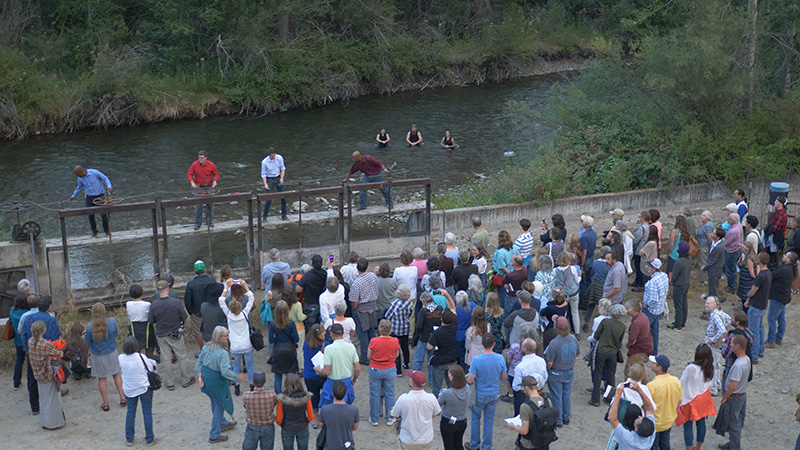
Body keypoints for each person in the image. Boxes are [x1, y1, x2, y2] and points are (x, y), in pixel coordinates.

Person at [197, 326, 246, 443]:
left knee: (214, 402)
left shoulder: (207, 346)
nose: (228, 338)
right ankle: (214, 434)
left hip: (207, 378)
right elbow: (225, 372)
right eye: (226, 336)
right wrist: (236, 376)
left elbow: (199, 362)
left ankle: (223, 423)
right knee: (220, 405)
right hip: (217, 381)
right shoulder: (222, 353)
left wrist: (199, 375)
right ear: (220, 338)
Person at [149, 280, 194, 390]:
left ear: (157, 291)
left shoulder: (154, 305)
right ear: (168, 289)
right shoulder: (176, 302)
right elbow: (184, 317)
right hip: (175, 334)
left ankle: (170, 383)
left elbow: (151, 321)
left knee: (166, 359)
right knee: (182, 357)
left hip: (162, 335)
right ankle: (185, 379)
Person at [466, 333, 507, 450]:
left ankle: (474, 444)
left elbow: (470, 379)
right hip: (493, 394)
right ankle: (486, 446)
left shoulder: (477, 360)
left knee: (475, 419)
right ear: (494, 344)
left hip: (479, 394)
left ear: (482, 343)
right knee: (489, 420)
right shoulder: (500, 358)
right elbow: (504, 377)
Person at [85, 302, 126, 411]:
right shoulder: (112, 322)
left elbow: (87, 342)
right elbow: (116, 334)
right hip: (112, 352)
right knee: (116, 374)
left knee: (102, 379)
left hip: (98, 355)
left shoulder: (90, 328)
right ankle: (122, 397)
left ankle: (106, 403)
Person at [118, 336, 158, 446]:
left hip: (129, 388)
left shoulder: (121, 358)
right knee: (147, 412)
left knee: (130, 412)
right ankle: (150, 439)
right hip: (143, 387)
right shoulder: (141, 357)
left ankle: (129, 439)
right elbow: (150, 368)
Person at [218, 279, 256, 395]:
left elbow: (221, 300)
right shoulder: (244, 313)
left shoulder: (229, 316)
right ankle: (252, 384)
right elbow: (251, 298)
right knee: (249, 365)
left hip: (234, 347)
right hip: (246, 345)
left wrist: (226, 288)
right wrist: (245, 285)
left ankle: (237, 386)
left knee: (234, 364)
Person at [676, 344, 717, 450]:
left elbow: (681, 382)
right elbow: (711, 384)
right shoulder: (710, 367)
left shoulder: (691, 368)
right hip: (703, 399)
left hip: (690, 400)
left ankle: (689, 448)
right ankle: (698, 447)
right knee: (701, 423)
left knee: (688, 426)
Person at [27, 320, 66, 429]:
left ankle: (44, 422)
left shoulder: (30, 341)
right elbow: (59, 354)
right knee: (53, 399)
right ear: (43, 330)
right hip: (47, 373)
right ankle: (53, 423)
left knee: (44, 398)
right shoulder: (45, 344)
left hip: (38, 373)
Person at [544, 316, 579, 427]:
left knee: (556, 396)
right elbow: (578, 353)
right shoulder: (573, 339)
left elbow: (549, 362)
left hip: (556, 373)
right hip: (569, 370)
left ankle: (558, 420)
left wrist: (546, 372)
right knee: (566, 394)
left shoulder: (554, 343)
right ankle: (566, 416)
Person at [715, 335, 750, 450]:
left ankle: (734, 447)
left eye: (732, 343)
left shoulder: (738, 365)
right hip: (741, 395)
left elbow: (733, 385)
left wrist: (725, 397)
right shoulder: (746, 360)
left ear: (738, 346)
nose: (730, 345)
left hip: (734, 397)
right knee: (735, 421)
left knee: (734, 424)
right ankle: (732, 444)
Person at [589, 304, 627, 406]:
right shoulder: (622, 326)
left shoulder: (605, 322)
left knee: (598, 374)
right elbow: (619, 341)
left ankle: (595, 399)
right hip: (613, 353)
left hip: (601, 351)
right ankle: (609, 398)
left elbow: (596, 335)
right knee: (611, 375)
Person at [315, 323, 360, 408]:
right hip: (346, 382)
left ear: (331, 333)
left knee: (329, 409)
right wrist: (354, 379)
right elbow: (357, 368)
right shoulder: (351, 347)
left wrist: (318, 370)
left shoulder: (329, 349)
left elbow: (326, 371)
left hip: (332, 383)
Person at [507, 374, 555, 450]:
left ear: (527, 388)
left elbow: (524, 431)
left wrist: (513, 427)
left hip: (529, 444)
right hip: (544, 441)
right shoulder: (547, 401)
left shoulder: (525, 406)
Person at [647, 354, 683, 449]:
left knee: (653, 446)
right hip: (668, 421)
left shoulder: (652, 386)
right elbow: (679, 401)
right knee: (665, 444)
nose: (651, 364)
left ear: (659, 368)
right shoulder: (676, 381)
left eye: (654, 363)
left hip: (655, 423)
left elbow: (647, 406)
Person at [368, 319, 399, 426]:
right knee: (390, 393)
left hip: (375, 369)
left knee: (374, 394)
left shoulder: (374, 341)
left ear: (379, 329)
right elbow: (396, 355)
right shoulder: (395, 341)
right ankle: (390, 417)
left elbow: (368, 356)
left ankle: (374, 418)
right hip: (390, 368)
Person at [608, 381, 657, 450]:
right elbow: (650, 409)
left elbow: (612, 418)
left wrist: (617, 395)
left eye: (639, 419)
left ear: (636, 429)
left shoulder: (628, 438)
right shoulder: (650, 432)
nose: (640, 416)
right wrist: (639, 389)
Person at [68, 165, 112, 237]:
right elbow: (79, 188)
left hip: (99, 196)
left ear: (81, 171)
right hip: (89, 197)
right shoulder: (80, 178)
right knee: (90, 215)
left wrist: (109, 186)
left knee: (103, 214)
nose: (77, 176)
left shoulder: (94, 172)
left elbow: (105, 178)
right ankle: (94, 232)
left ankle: (107, 231)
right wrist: (73, 196)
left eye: (78, 174)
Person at [185, 260, 218, 352]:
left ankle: (203, 351)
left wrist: (191, 312)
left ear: (194, 271)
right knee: (213, 330)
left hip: (197, 312)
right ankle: (215, 349)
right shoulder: (212, 281)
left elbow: (188, 301)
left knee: (198, 332)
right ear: (205, 269)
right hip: (212, 311)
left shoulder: (191, 284)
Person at [350, 258, 380, 363]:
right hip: (373, 307)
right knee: (371, 330)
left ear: (357, 268)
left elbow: (354, 302)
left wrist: (354, 309)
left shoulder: (356, 283)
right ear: (367, 267)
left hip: (361, 310)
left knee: (362, 333)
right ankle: (375, 352)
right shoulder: (373, 276)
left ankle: (365, 357)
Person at [765, 251, 797, 348]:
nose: (783, 256)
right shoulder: (790, 269)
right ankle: (779, 338)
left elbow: (772, 275)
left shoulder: (784, 269)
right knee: (781, 319)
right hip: (784, 297)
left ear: (789, 259)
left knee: (771, 319)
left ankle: (771, 341)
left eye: (786, 256)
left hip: (778, 297)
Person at [745, 252, 771, 364]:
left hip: (756, 305)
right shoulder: (769, 273)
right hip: (763, 304)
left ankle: (754, 356)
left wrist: (748, 295)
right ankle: (760, 350)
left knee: (753, 331)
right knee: (760, 328)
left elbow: (753, 291)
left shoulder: (760, 276)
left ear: (759, 261)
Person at [510, 336, 547, 415]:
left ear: (525, 349)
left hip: (523, 395)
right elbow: (545, 377)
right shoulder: (542, 361)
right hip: (538, 392)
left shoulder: (520, 367)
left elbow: (516, 387)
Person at [318, 380, 360, 450]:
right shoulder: (354, 410)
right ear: (346, 393)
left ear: (332, 393)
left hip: (330, 446)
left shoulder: (325, 409)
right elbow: (354, 427)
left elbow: (321, 425)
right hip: (347, 446)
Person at [269, 300, 299, 394]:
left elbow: (270, 340)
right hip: (290, 350)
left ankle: (278, 397)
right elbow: (296, 339)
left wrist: (277, 339)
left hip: (278, 350)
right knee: (292, 374)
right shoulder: (292, 324)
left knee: (278, 375)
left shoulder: (273, 324)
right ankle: (292, 392)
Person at [276, 373, 312, 450]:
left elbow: (278, 419)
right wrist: (305, 422)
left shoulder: (282, 399)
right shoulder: (306, 397)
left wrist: (283, 424)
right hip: (302, 426)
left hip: (287, 428)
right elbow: (311, 416)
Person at [437, 365, 470, 450]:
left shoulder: (447, 393)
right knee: (458, 444)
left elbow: (437, 404)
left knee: (449, 446)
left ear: (452, 377)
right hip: (462, 421)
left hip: (448, 422)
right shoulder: (467, 388)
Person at [243, 370, 277, 450]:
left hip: (252, 426)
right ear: (265, 381)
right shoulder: (272, 395)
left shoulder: (246, 395)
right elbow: (274, 404)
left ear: (253, 382)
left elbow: (245, 406)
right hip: (268, 426)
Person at [428, 309, 459, 398]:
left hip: (440, 361)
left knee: (437, 386)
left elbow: (429, 347)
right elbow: (454, 310)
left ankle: (436, 405)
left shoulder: (437, 332)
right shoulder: (454, 327)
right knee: (452, 385)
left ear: (441, 319)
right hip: (452, 359)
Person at [385, 285, 414, 374]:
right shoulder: (410, 303)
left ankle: (398, 370)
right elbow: (409, 314)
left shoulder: (394, 304)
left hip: (395, 329)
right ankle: (406, 364)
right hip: (405, 327)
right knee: (405, 347)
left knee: (395, 348)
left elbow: (388, 316)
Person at [187, 150, 219, 230]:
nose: (200, 159)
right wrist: (192, 182)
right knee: (198, 205)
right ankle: (198, 223)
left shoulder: (211, 164)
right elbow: (189, 173)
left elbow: (216, 174)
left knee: (210, 204)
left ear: (206, 158)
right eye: (199, 158)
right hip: (198, 187)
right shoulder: (194, 164)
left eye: (201, 158)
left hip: (209, 186)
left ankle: (209, 221)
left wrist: (215, 180)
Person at [583, 246, 612, 330]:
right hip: (604, 286)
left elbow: (592, 273)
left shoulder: (595, 262)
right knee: (604, 306)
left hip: (595, 284)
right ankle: (602, 325)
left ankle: (586, 323)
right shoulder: (609, 265)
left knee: (591, 304)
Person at [641, 259, 667, 354]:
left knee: (643, 333)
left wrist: (645, 305)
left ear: (654, 269)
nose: (648, 267)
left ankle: (644, 352)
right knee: (654, 333)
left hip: (650, 310)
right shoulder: (664, 276)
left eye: (650, 266)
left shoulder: (653, 282)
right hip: (659, 309)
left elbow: (653, 299)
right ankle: (653, 352)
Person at [303, 324, 326, 429]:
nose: (325, 334)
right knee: (326, 396)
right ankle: (325, 418)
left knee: (314, 398)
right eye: (323, 333)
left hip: (309, 376)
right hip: (322, 375)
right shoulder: (325, 345)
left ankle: (315, 420)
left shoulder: (306, 344)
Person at [703, 296, 727, 396]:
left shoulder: (715, 316)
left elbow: (722, 330)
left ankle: (712, 389)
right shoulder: (719, 313)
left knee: (711, 365)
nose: (706, 305)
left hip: (713, 344)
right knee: (716, 364)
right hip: (717, 344)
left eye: (708, 303)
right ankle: (717, 384)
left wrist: (713, 339)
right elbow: (728, 319)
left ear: (715, 305)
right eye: (706, 303)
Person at [126, 284, 157, 358]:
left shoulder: (128, 304)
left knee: (136, 350)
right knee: (149, 349)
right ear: (141, 292)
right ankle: (150, 366)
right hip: (146, 327)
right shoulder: (147, 304)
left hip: (134, 328)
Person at [9, 289, 31, 390]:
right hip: (29, 341)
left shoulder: (12, 311)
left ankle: (16, 382)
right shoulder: (29, 313)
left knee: (19, 361)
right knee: (30, 363)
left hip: (18, 341)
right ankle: (30, 384)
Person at [553, 252, 580, 334]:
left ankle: (561, 330)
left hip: (562, 295)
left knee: (562, 313)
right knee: (575, 312)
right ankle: (577, 332)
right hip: (573, 293)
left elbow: (555, 283)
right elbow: (577, 281)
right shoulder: (572, 269)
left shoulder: (555, 271)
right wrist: (580, 277)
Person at [296, 254, 328, 325]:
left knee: (310, 327)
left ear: (311, 264)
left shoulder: (307, 276)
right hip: (322, 304)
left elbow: (298, 289)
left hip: (311, 305)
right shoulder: (325, 273)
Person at [624, 299, 653, 378]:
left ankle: (628, 387)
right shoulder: (643, 316)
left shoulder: (637, 322)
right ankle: (644, 384)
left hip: (639, 348)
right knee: (640, 366)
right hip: (646, 346)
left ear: (634, 309)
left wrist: (628, 345)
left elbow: (632, 339)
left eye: (627, 309)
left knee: (629, 368)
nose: (626, 310)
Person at [668, 241, 692, 331]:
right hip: (686, 283)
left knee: (678, 306)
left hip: (679, 285)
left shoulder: (679, 262)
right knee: (684, 304)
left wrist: (672, 282)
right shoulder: (689, 259)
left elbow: (674, 276)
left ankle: (677, 325)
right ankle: (682, 323)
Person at [493, 230, 519, 307]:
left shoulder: (500, 252)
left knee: (503, 297)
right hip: (515, 275)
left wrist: (511, 276)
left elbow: (502, 267)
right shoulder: (514, 248)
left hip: (504, 278)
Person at [261, 147, 288, 221]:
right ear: (269, 155)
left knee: (283, 197)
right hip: (270, 179)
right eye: (272, 156)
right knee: (269, 198)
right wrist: (265, 183)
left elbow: (282, 169)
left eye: (274, 155)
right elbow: (263, 174)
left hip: (278, 177)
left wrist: (282, 178)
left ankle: (284, 215)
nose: (273, 157)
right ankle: (264, 217)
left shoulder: (279, 158)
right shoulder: (264, 162)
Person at [763, 196, 788, 268]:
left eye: (776, 201)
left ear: (781, 204)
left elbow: (775, 228)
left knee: (773, 255)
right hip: (773, 237)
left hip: (775, 238)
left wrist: (767, 230)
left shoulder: (781, 214)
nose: (774, 202)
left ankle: (773, 269)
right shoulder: (778, 212)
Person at [702, 228, 726, 299]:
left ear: (718, 237)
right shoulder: (715, 243)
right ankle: (711, 297)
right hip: (713, 269)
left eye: (714, 233)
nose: (712, 233)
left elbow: (712, 260)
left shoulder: (719, 247)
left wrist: (704, 267)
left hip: (715, 270)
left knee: (713, 286)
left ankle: (714, 300)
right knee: (711, 285)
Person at [724, 213, 744, 294]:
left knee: (730, 269)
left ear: (734, 221)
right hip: (737, 248)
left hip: (731, 251)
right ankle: (732, 285)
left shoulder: (733, 231)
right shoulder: (739, 226)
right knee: (732, 268)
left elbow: (726, 242)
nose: (727, 220)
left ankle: (732, 287)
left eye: (729, 219)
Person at [631, 211, 651, 290]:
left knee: (638, 266)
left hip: (639, 250)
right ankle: (637, 281)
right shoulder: (649, 227)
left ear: (642, 218)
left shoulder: (642, 228)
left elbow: (636, 240)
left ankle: (640, 284)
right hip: (645, 250)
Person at [736, 241, 758, 313]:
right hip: (747, 282)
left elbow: (751, 273)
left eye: (742, 249)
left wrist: (757, 280)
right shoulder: (753, 256)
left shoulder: (749, 260)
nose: (741, 251)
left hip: (747, 282)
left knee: (745, 301)